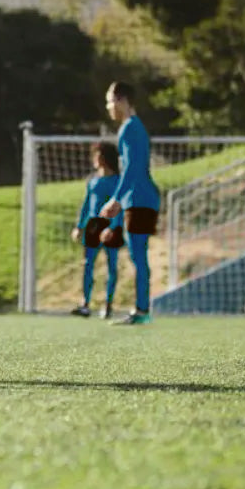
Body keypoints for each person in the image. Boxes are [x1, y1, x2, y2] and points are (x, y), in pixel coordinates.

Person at [99, 82, 160, 325]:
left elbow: (133, 168)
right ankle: (141, 309)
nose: (108, 107)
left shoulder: (130, 128)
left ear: (121, 101)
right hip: (139, 199)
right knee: (137, 254)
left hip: (140, 199)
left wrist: (116, 199)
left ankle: (142, 311)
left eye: (110, 101)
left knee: (138, 255)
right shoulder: (134, 127)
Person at [70, 141, 122, 319]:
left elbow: (120, 206)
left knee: (111, 267)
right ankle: (85, 304)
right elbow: (86, 206)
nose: (94, 159)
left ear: (105, 158)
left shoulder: (118, 182)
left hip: (111, 228)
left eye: (97, 155)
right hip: (93, 227)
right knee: (87, 265)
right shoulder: (93, 181)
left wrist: (113, 227)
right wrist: (79, 226)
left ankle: (108, 304)